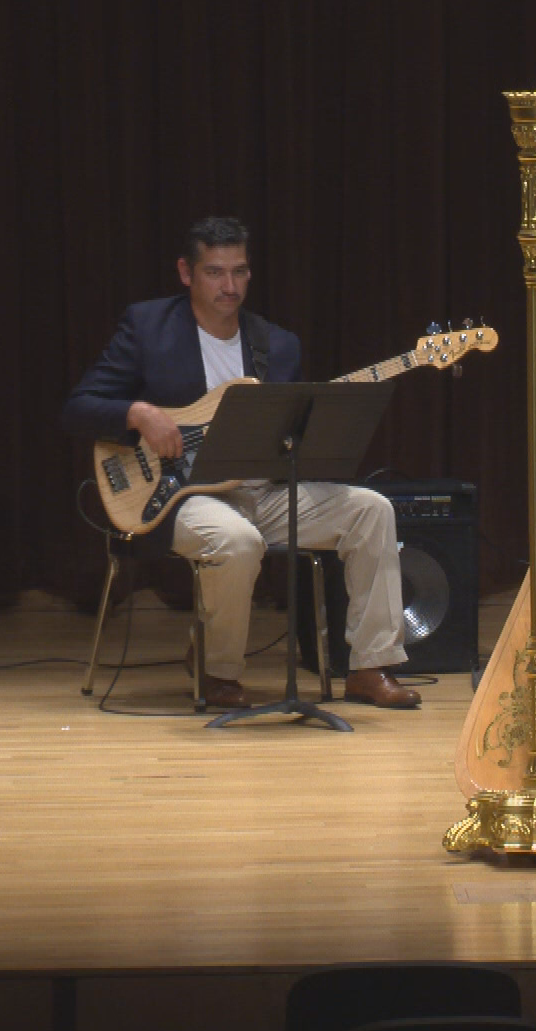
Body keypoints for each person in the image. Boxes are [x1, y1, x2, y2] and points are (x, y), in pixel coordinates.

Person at [62, 217, 418, 711]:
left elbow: (291, 435)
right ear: (186, 273)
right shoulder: (148, 327)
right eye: (215, 272)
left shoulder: (278, 345)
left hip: (261, 490)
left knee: (372, 510)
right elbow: (78, 408)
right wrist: (138, 414)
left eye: (239, 272)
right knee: (237, 540)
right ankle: (218, 671)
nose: (229, 286)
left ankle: (370, 667)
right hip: (178, 496)